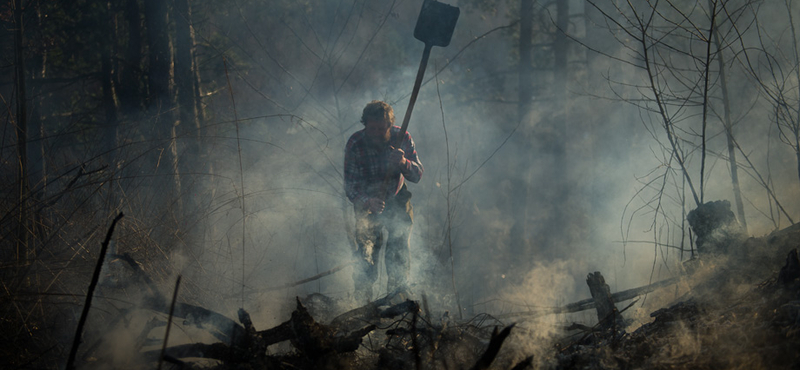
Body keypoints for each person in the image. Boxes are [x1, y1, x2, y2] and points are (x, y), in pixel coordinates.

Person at [344, 100, 423, 304]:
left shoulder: (402, 137)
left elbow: (418, 174)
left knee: (398, 251)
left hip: (397, 198)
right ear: (365, 125)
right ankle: (362, 305)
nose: (377, 133)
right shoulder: (355, 143)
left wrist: (404, 162)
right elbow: (351, 187)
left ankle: (398, 302)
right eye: (373, 128)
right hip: (367, 203)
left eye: (382, 128)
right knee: (366, 255)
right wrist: (367, 201)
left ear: (390, 125)